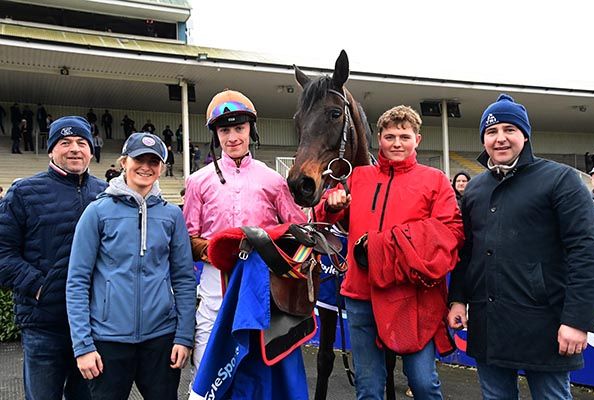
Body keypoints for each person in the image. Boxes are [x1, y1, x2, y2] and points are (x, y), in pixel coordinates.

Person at [448, 94, 594, 400]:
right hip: (488, 325)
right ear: (483, 139)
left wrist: (577, 320)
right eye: (491, 132)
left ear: (525, 135)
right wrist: (458, 299)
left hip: (545, 326)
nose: (500, 138)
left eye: (509, 130)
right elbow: (467, 252)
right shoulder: (476, 188)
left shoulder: (561, 180)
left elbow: (587, 251)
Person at [316, 105, 463, 400]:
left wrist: (389, 243)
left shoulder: (434, 180)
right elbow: (322, 219)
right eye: (390, 136)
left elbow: (452, 233)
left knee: (423, 383)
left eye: (404, 137)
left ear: (417, 140)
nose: (397, 143)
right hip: (361, 295)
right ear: (379, 139)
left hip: (411, 296)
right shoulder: (357, 177)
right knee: (368, 388)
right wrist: (331, 206)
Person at [183, 89, 306, 374]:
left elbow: (296, 228)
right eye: (225, 130)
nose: (233, 137)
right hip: (215, 277)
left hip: (261, 277)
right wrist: (221, 251)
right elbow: (188, 238)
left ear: (251, 129)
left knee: (256, 352)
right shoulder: (197, 181)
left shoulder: (274, 180)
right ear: (217, 135)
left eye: (239, 128)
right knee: (207, 344)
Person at [66, 132, 196, 400]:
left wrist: (184, 337)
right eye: (139, 159)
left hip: (161, 341)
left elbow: (183, 279)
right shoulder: (98, 212)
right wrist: (83, 346)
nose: (146, 167)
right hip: (107, 341)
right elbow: (77, 281)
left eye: (154, 161)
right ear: (124, 162)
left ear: (161, 167)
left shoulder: (172, 215)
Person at [0, 116, 106, 400]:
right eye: (65, 142)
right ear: (51, 150)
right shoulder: (23, 193)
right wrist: (39, 287)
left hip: (92, 326)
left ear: (91, 150)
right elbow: (3, 253)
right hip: (44, 326)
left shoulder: (105, 194)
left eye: (81, 142)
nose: (74, 149)